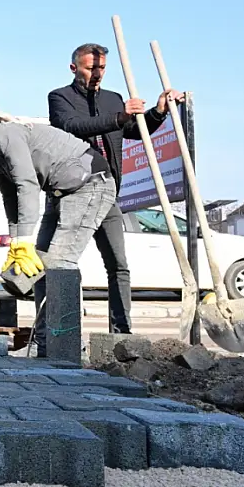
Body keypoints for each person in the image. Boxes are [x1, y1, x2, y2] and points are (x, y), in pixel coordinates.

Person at [0, 102, 119, 357]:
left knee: (60, 264)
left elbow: (26, 184)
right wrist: (16, 241)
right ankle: (43, 345)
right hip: (59, 193)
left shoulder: (5, 135)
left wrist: (24, 239)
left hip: (89, 184)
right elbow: (10, 196)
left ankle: (68, 347)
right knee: (38, 268)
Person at [48, 43, 182, 334]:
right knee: (60, 264)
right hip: (73, 195)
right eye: (90, 68)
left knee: (118, 266)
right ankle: (55, 335)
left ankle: (121, 332)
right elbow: (73, 126)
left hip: (107, 194)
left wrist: (157, 111)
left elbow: (133, 131)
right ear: (74, 68)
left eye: (102, 68)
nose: (97, 73)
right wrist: (120, 117)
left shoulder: (113, 99)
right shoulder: (60, 98)